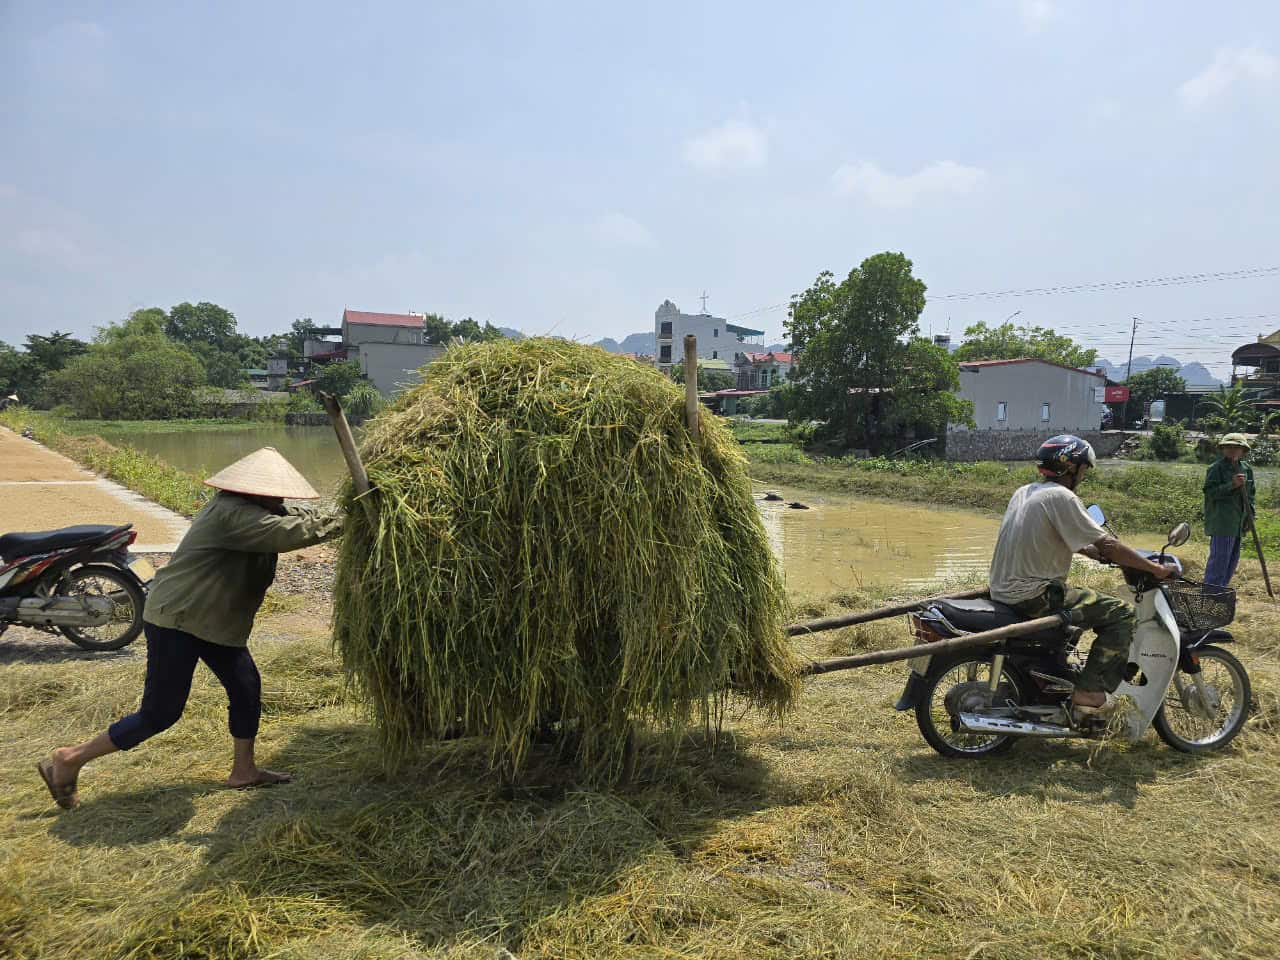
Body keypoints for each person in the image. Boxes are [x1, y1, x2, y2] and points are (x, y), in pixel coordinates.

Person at [36, 447, 344, 809]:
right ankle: (70, 758)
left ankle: (243, 771)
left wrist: (343, 507)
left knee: (245, 688)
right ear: (253, 491)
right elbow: (291, 532)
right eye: (274, 492)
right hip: (178, 619)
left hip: (212, 621)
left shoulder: (260, 507)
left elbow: (298, 513)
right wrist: (348, 518)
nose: (281, 499)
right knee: (160, 713)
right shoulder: (233, 515)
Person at [988, 434, 1176, 716]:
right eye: (1084, 469)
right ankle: (1089, 692)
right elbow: (1109, 545)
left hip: (1005, 588)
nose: (1084, 476)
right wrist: (1155, 569)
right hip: (1033, 594)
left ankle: (1059, 674)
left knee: (1080, 605)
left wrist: (1089, 551)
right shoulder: (1062, 496)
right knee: (1122, 613)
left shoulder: (1026, 492)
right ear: (1071, 467)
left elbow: (1055, 537)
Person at [1202, 433, 1256, 588]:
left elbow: (1251, 495)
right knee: (1219, 561)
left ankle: (1220, 594)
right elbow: (1210, 493)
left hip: (1238, 523)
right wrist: (1231, 485)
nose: (1232, 450)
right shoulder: (1216, 468)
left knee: (1231, 562)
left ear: (1243, 450)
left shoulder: (1247, 469)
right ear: (1223, 449)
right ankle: (1210, 595)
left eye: (1236, 447)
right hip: (1222, 522)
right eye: (1229, 447)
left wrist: (1250, 516)